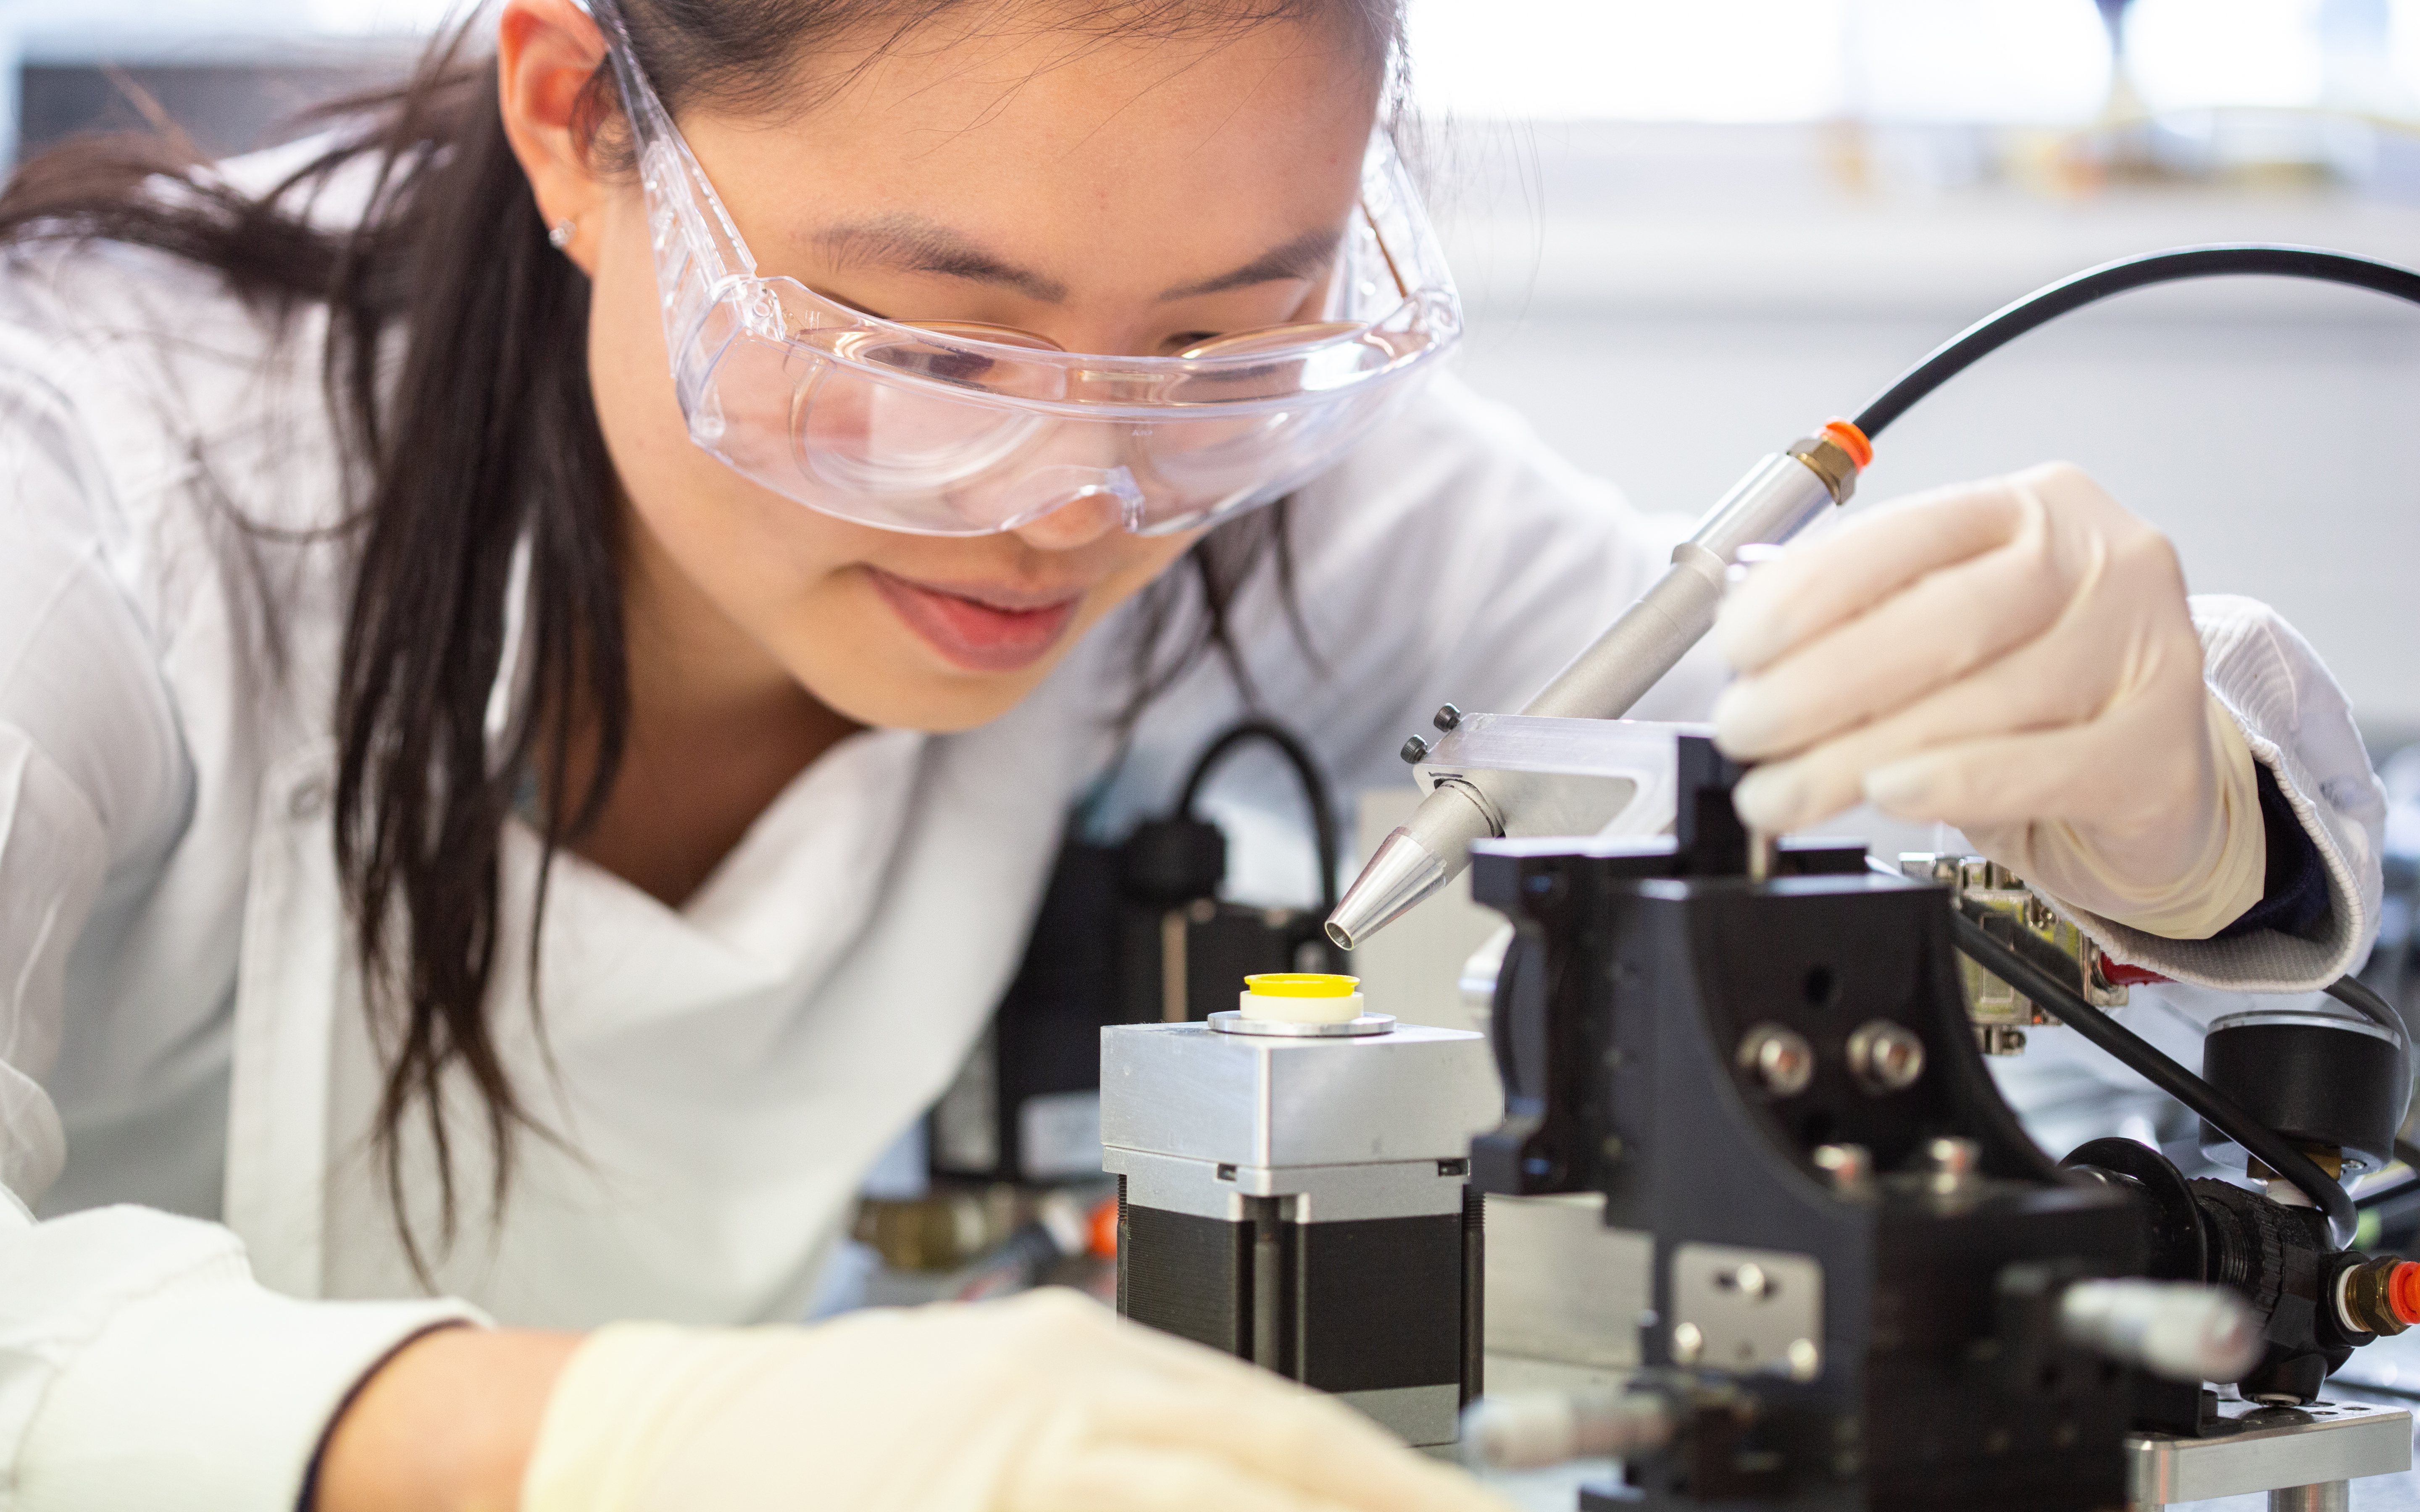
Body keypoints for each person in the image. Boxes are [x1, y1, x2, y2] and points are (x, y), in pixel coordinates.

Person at [0, 0, 2381, 1506]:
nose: (1077, 501)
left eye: (1228, 341)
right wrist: (620, 1441)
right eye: (935, 345)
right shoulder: (86, 484)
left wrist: (2173, 793)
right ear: (575, 122)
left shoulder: (1251, 476)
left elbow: (1766, 709)